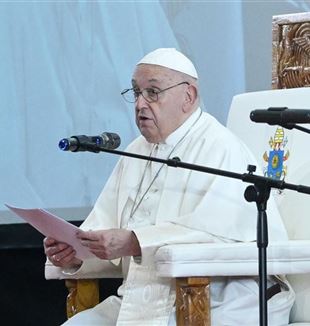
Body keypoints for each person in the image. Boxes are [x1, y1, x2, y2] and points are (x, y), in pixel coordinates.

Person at [44, 48, 294, 325]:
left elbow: (220, 237)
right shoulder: (136, 150)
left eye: (153, 92)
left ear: (189, 96)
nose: (140, 104)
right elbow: (104, 235)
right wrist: (75, 255)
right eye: (136, 92)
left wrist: (135, 241)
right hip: (139, 301)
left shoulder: (220, 147)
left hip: (219, 301)